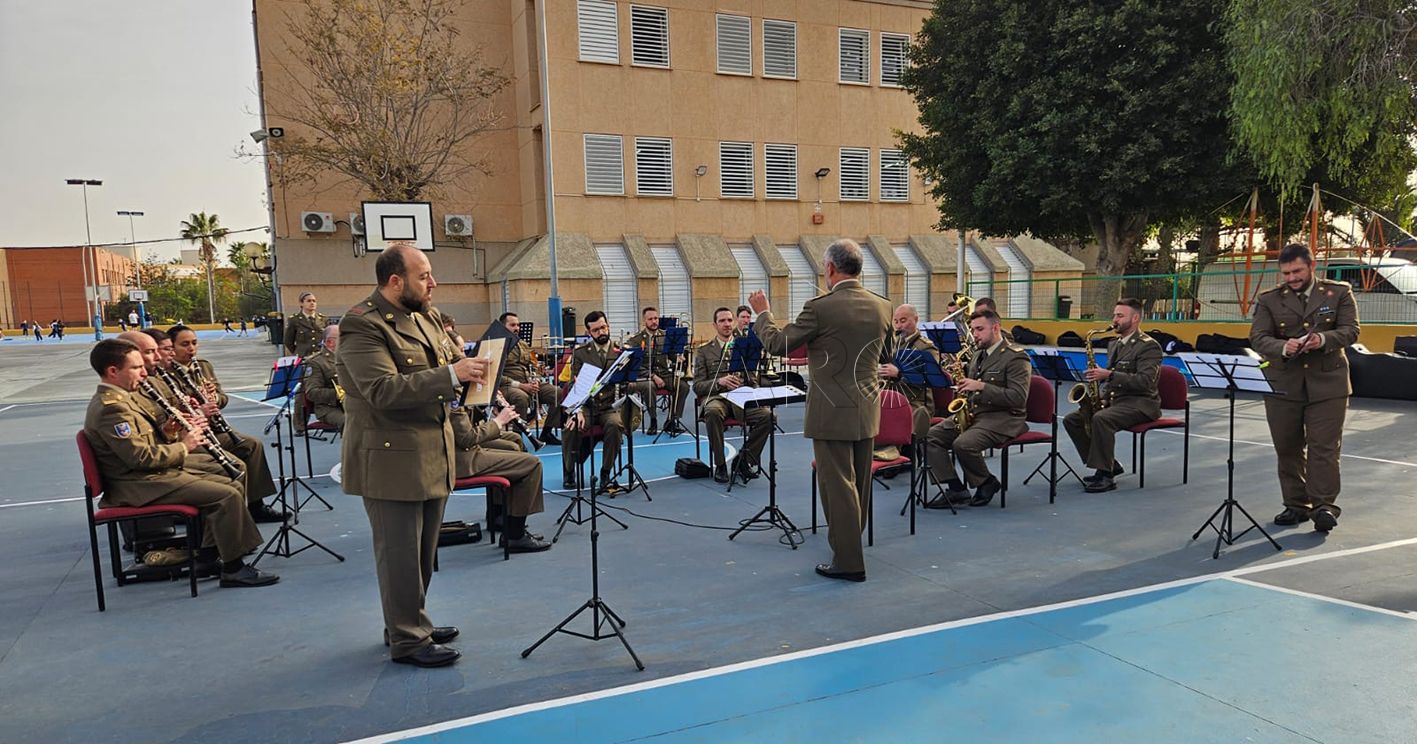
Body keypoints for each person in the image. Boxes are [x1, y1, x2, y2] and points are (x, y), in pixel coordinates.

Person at [338, 241, 490, 668]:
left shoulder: (424, 317)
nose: (433, 283)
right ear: (394, 281)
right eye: (424, 276)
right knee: (400, 553)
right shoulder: (361, 326)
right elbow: (381, 391)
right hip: (391, 458)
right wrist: (451, 374)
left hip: (429, 451)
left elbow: (450, 363)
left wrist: (474, 367)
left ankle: (408, 620)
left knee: (422, 551)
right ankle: (407, 639)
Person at [82, 339, 277, 588]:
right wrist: (185, 445)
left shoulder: (123, 398)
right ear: (113, 371)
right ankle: (234, 568)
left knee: (230, 477)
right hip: (137, 484)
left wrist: (169, 430)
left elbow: (145, 443)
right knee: (225, 494)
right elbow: (140, 459)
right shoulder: (112, 409)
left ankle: (209, 555)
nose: (144, 373)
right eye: (136, 367)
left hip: (145, 476)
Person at [750, 239, 891, 583]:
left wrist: (762, 314)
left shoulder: (820, 307)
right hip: (867, 405)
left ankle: (848, 561)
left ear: (829, 268)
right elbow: (886, 355)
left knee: (837, 485)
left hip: (831, 410)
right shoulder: (883, 306)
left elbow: (778, 343)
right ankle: (848, 544)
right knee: (859, 482)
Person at [1250, 243, 1360, 533]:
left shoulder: (1338, 292)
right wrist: (1284, 346)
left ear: (1312, 267)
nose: (1291, 278)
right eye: (1285, 273)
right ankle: (1296, 505)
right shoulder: (1269, 299)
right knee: (1287, 446)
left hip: (1328, 383)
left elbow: (1351, 330)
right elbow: (1258, 338)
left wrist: (1321, 340)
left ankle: (1324, 506)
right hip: (1284, 383)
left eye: (1297, 271)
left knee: (1323, 447)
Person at [168, 325, 283, 523]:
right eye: (184, 344)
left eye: (194, 343)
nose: (191, 349)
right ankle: (230, 513)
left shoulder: (203, 366)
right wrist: (197, 409)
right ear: (172, 348)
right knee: (230, 461)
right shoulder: (166, 373)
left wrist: (213, 399)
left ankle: (256, 505)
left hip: (212, 428)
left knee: (252, 445)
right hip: (188, 435)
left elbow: (222, 397)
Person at [924, 309, 1031, 509]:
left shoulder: (1016, 357)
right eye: (973, 330)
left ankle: (986, 482)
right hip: (976, 413)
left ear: (996, 328)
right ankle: (956, 488)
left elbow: (1018, 398)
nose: (975, 335)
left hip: (1004, 417)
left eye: (980, 329)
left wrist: (981, 386)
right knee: (930, 437)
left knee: (963, 444)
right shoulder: (978, 355)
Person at [1062, 299, 1162, 493]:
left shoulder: (1149, 346)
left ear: (1135, 318)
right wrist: (1103, 397)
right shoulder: (1114, 344)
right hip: (1117, 402)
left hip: (1141, 403)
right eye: (1114, 315)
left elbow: (1145, 382)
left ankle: (1106, 476)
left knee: (1101, 419)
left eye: (1120, 316)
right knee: (1073, 420)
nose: (1114, 320)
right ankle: (1110, 464)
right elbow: (1110, 381)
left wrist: (1109, 375)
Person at [450, 401, 551, 553]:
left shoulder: (453, 389)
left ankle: (499, 517)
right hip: (459, 458)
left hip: (461, 450)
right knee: (532, 464)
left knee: (513, 442)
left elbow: (465, 421)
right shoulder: (450, 393)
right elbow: (467, 438)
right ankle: (515, 536)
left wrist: (481, 404)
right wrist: (499, 421)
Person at [694, 307, 774, 484]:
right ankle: (721, 465)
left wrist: (757, 395)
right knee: (712, 412)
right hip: (717, 398)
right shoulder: (704, 351)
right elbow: (698, 386)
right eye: (722, 321)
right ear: (714, 325)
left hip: (741, 398)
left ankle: (744, 460)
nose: (727, 324)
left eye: (730, 320)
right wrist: (719, 382)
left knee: (768, 416)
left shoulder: (744, 346)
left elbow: (752, 378)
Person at [559, 311, 636, 494]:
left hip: (609, 406)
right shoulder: (580, 353)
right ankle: (569, 470)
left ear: (608, 326)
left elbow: (629, 382)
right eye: (596, 330)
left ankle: (605, 471)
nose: (601, 332)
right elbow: (573, 384)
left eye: (603, 327)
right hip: (586, 405)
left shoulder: (621, 352)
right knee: (571, 426)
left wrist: (630, 382)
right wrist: (576, 410)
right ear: (589, 333)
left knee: (616, 425)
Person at [497, 312, 562, 445]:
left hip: (528, 383)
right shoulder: (496, 345)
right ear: (503, 327)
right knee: (521, 398)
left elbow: (534, 365)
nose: (517, 328)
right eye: (513, 325)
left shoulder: (523, 344)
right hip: (508, 386)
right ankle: (517, 439)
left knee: (558, 393)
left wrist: (536, 380)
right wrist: (520, 386)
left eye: (518, 325)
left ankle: (547, 432)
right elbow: (495, 375)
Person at [624, 306, 689, 436]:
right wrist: (653, 376)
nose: (654, 321)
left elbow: (670, 354)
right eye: (650, 319)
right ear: (644, 321)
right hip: (645, 376)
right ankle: (653, 420)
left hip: (664, 373)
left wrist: (678, 358)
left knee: (683, 387)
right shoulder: (635, 340)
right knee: (649, 387)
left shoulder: (665, 336)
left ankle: (671, 420)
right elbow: (634, 365)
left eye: (655, 318)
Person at [877, 303, 938, 439]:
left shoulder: (926, 347)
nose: (899, 326)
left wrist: (899, 373)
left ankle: (900, 453)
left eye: (903, 321)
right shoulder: (894, 344)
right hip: (893, 398)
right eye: (896, 322)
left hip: (917, 402)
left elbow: (928, 376)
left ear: (916, 320)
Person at [301, 325, 346, 430]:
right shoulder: (316, 362)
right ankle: (351, 446)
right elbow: (312, 392)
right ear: (330, 342)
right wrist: (339, 393)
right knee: (348, 422)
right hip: (329, 407)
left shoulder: (349, 357)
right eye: (342, 337)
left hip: (352, 403)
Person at [283, 291, 327, 358]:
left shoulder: (323, 319)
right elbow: (288, 342)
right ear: (301, 303)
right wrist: (299, 352)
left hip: (320, 357)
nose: (312, 303)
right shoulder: (294, 320)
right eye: (309, 301)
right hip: (303, 357)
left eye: (314, 301)